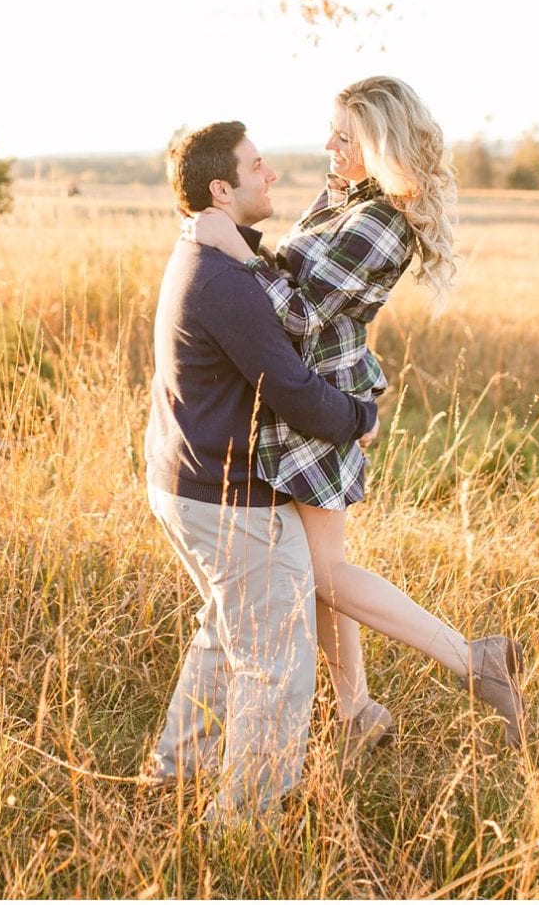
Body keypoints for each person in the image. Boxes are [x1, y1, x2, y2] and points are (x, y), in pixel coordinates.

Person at [188, 76, 528, 754]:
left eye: (345, 137)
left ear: (378, 145)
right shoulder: (345, 196)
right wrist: (252, 252)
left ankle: (472, 660)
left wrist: (235, 252)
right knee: (321, 569)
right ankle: (355, 713)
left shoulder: (381, 222)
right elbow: (291, 268)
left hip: (320, 404)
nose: (329, 146)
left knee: (320, 573)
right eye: (333, 132)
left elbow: (300, 313)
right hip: (299, 395)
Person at [143, 121, 381, 826]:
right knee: (278, 663)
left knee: (227, 633)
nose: (272, 175)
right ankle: (244, 825)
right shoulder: (224, 281)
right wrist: (358, 418)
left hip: (185, 481)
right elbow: (293, 389)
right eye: (257, 167)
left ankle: (176, 774)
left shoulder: (210, 255)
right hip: (225, 497)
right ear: (221, 188)